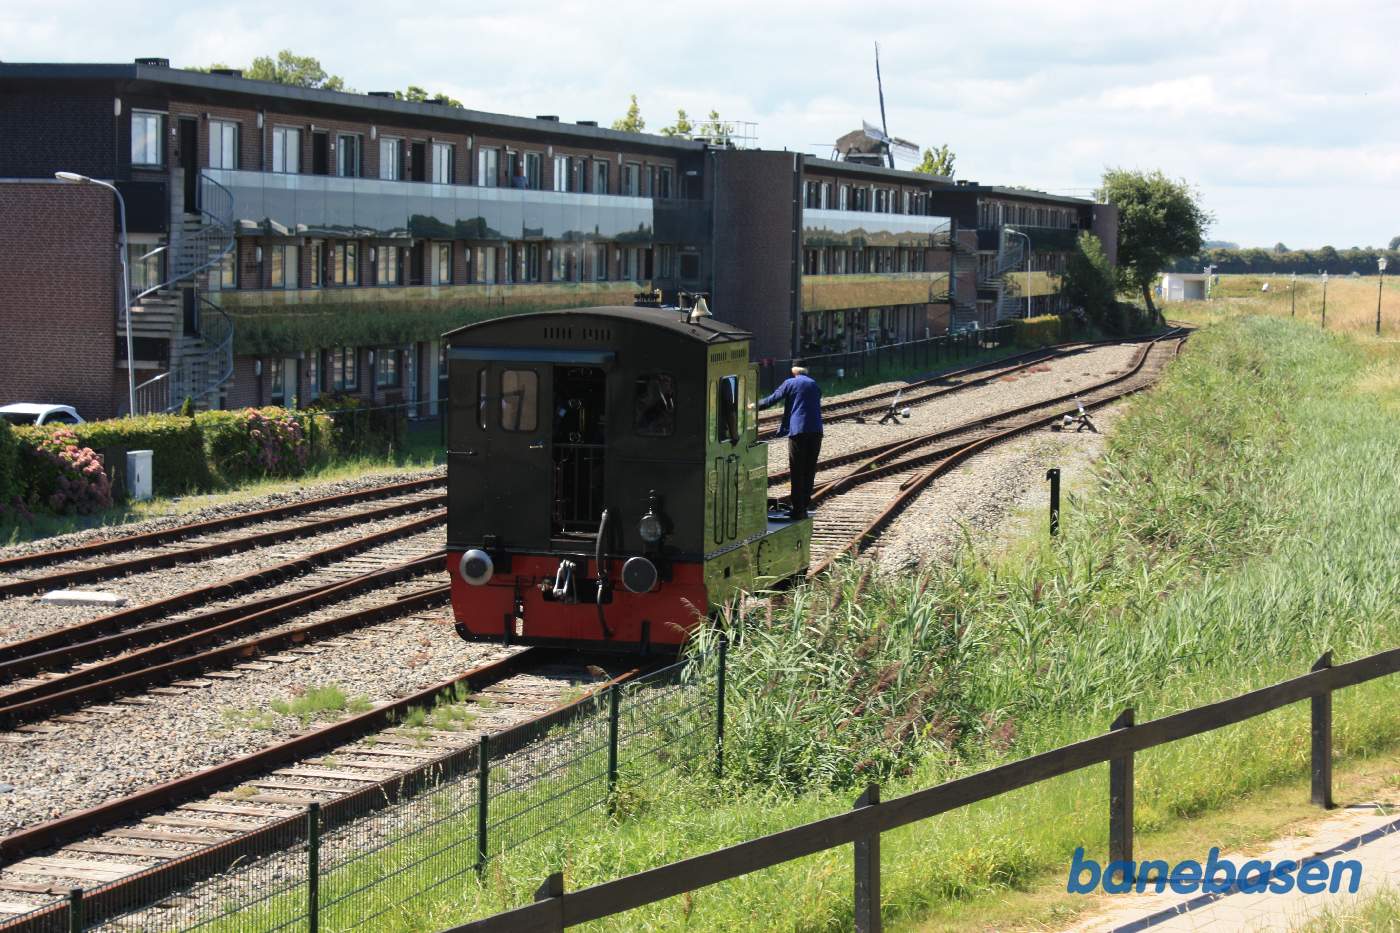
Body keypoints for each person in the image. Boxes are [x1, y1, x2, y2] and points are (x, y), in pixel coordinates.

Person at [759, 363, 823, 520]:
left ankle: (798, 509)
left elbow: (772, 400)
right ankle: (804, 507)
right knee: (809, 469)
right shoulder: (814, 384)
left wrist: (753, 406)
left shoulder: (790, 382)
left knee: (797, 470)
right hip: (816, 431)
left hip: (798, 431)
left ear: (793, 372)